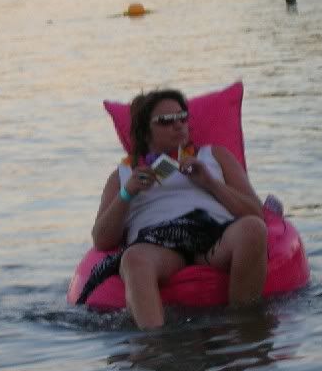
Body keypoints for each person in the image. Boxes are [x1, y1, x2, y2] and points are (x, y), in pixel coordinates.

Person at [80, 89, 268, 329]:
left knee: (253, 228)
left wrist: (210, 183)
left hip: (213, 234)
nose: (178, 125)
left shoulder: (214, 156)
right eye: (166, 121)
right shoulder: (123, 175)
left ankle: (244, 328)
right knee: (134, 259)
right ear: (145, 131)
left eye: (182, 118)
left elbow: (255, 212)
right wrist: (128, 193)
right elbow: (101, 240)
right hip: (160, 244)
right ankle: (156, 343)